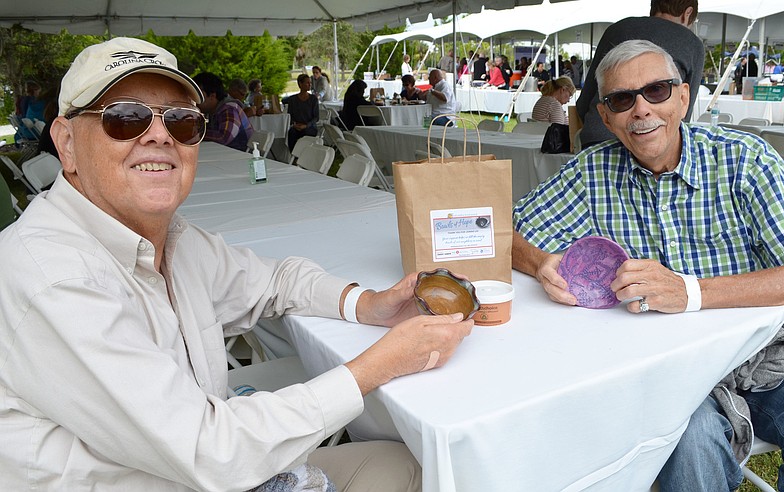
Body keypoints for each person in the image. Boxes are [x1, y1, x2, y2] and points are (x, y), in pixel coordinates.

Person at [0, 36, 473, 491]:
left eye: (182, 121)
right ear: (66, 143)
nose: (160, 136)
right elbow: (212, 451)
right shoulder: (53, 276)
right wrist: (377, 367)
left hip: (203, 467)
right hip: (188, 473)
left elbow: (276, 281)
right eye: (125, 119)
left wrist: (370, 304)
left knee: (404, 461)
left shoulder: (171, 241)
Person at [512, 39, 784, 492]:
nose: (641, 110)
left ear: (684, 97)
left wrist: (689, 291)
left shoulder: (743, 159)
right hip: (670, 367)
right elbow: (499, 234)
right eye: (621, 99)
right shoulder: (591, 174)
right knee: (688, 445)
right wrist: (540, 263)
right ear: (607, 117)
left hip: (767, 348)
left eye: (657, 90)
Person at [575, 0, 704, 147]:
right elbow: (683, 113)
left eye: (657, 89)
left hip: (597, 135)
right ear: (687, 13)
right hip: (651, 139)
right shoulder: (692, 43)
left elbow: (584, 101)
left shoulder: (617, 29)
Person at [193, 72, 254, 151]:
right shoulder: (213, 111)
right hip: (227, 154)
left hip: (242, 157)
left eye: (199, 95)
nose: (194, 100)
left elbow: (224, 137)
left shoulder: (229, 109)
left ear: (212, 96)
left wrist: (194, 133)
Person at [284, 73, 320, 152]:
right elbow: (290, 115)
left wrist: (307, 125)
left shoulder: (313, 99)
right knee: (291, 133)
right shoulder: (292, 99)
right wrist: (295, 124)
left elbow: (316, 117)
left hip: (310, 127)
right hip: (296, 126)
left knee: (306, 133)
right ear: (300, 84)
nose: (309, 85)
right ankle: (293, 155)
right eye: (307, 83)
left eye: (310, 83)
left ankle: (305, 155)